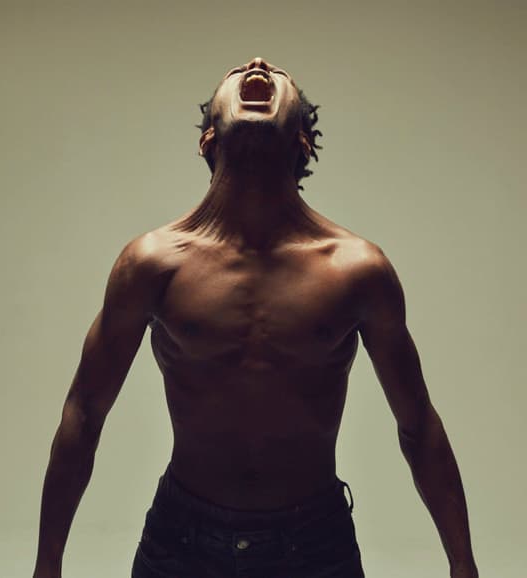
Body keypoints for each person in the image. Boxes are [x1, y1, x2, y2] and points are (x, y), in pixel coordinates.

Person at [32, 57, 479, 578]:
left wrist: (463, 566)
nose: (258, 63)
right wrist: (47, 566)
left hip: (315, 547)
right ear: (208, 138)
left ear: (302, 140)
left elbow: (418, 423)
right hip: (181, 543)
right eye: (235, 74)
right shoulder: (151, 264)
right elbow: (85, 412)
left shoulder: (357, 269)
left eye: (280, 76)